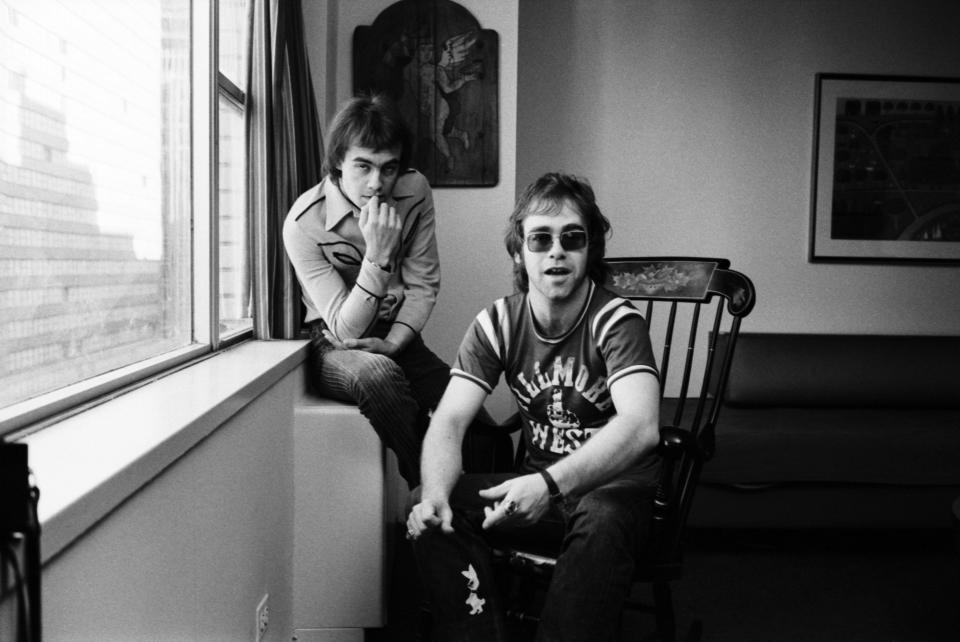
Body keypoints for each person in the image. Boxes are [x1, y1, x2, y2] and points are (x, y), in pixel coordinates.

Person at [406, 173, 662, 641]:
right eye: (540, 239)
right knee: (429, 506)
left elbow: (641, 426)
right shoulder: (498, 323)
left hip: (615, 494)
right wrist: (437, 494)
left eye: (573, 238)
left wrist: (548, 483)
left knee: (601, 516)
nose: (556, 251)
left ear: (591, 251)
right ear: (519, 252)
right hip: (541, 494)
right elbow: (448, 420)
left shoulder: (617, 322)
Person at [283, 93, 451, 489]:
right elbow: (345, 331)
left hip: (396, 333)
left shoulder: (415, 193)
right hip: (332, 342)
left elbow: (424, 283)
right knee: (377, 376)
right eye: (363, 166)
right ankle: (428, 488)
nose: (377, 184)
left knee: (466, 403)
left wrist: (395, 342)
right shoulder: (304, 223)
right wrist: (376, 257)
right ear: (338, 163)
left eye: (388, 168)